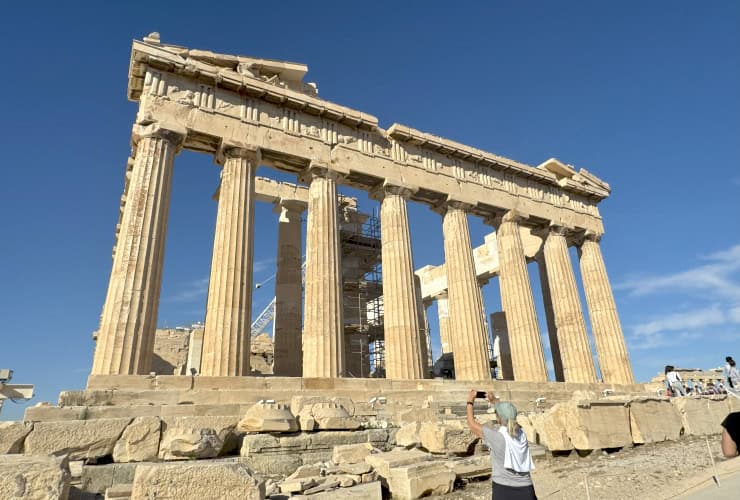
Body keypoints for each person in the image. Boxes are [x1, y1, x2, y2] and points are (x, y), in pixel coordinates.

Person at [466, 389, 537, 499]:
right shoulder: (522, 433)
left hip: (503, 490)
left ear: (498, 418)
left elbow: (471, 423)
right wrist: (495, 401)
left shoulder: (496, 437)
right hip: (526, 489)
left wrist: (470, 400)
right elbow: (508, 416)